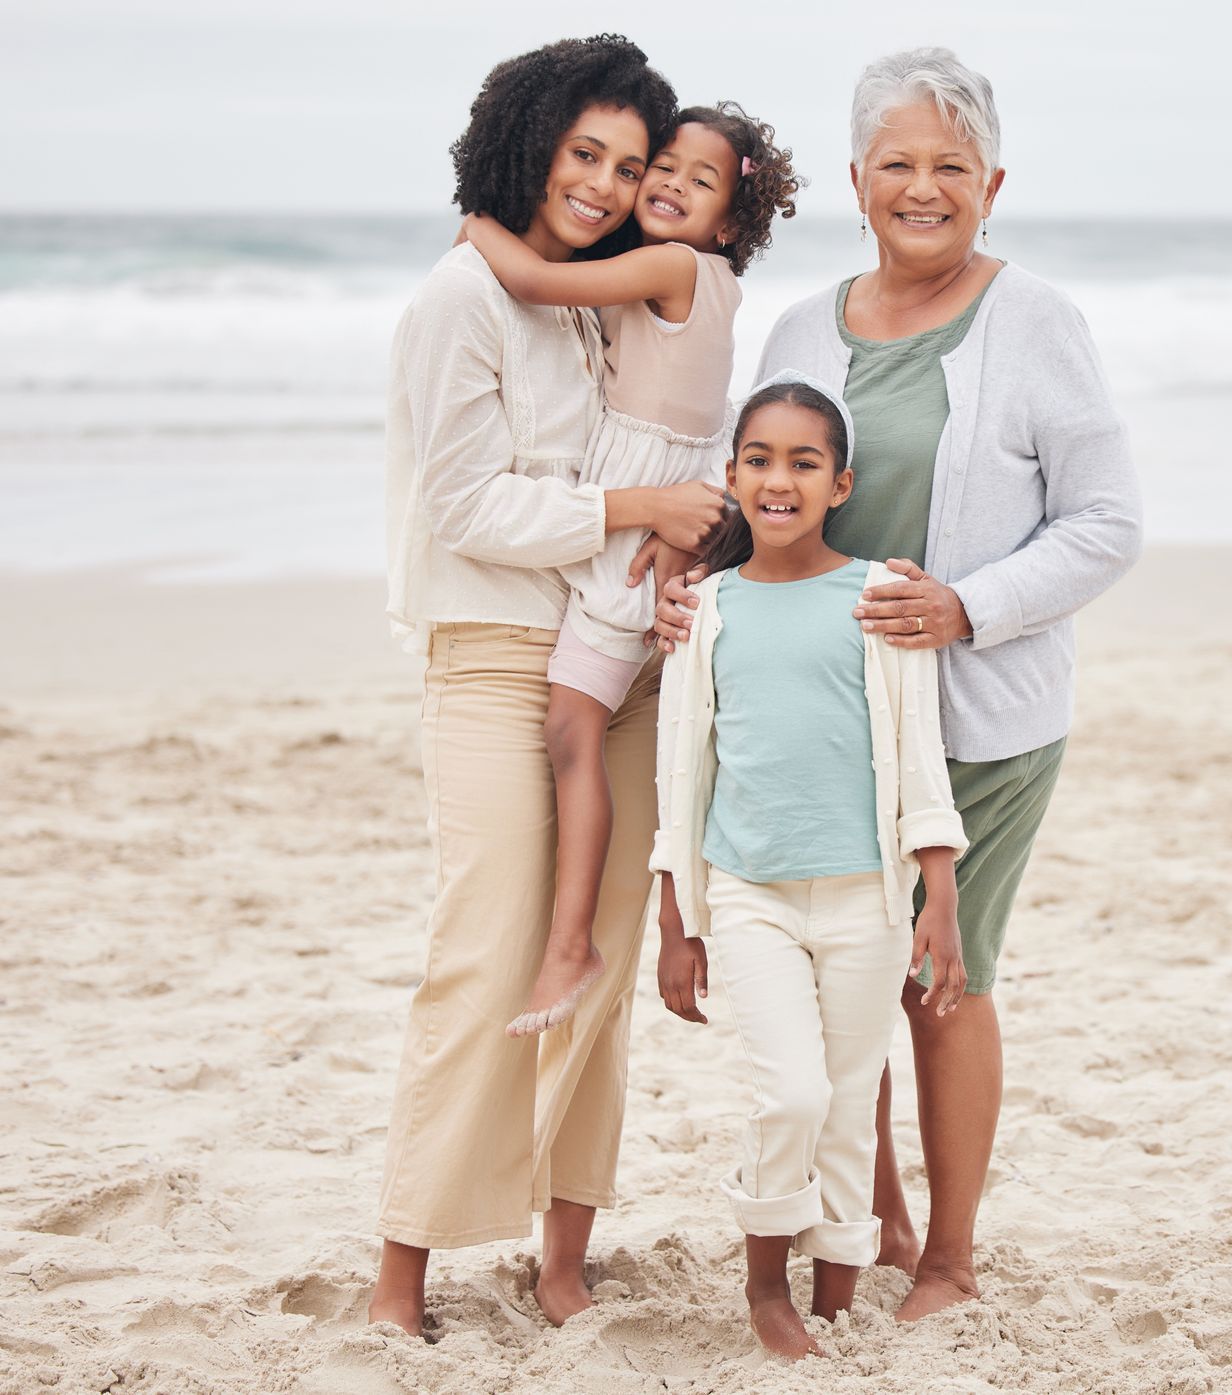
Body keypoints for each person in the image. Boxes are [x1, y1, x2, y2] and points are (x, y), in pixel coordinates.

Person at [646, 48, 1144, 1320]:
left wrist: (967, 608)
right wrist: (686, 581)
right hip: (826, 725)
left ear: (993, 184)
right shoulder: (804, 326)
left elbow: (1105, 524)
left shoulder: (1038, 325)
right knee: (836, 995)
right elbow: (763, 485)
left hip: (980, 720)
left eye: (952, 167)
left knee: (944, 979)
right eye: (900, 165)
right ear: (860, 179)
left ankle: (954, 1260)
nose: (924, 188)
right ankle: (877, 1223)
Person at [371, 36, 727, 1336]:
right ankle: (399, 1272)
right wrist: (637, 504)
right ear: (529, 138)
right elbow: (465, 505)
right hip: (490, 661)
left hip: (618, 663)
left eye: (630, 166)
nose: (605, 184)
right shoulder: (463, 297)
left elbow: (666, 458)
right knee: (483, 960)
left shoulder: (598, 298)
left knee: (602, 969)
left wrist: (675, 570)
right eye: (587, 153)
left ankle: (563, 1256)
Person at [458, 101, 802, 1038]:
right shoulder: (715, 278)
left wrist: (474, 222)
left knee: (573, 726)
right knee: (653, 733)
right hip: (665, 487)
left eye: (701, 181)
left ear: (728, 221)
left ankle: (572, 939)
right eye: (664, 168)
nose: (668, 185)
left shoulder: (671, 264)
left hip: (640, 503)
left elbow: (533, 280)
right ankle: (652, 914)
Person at [650, 375, 969, 1359]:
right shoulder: (703, 611)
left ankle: (834, 1291)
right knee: (787, 1092)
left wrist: (940, 898)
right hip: (749, 893)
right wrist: (676, 918)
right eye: (758, 459)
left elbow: (919, 755)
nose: (778, 479)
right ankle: (764, 1285)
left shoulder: (880, 594)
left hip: (869, 896)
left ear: (840, 484)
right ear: (733, 476)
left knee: (848, 1095)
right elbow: (679, 773)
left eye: (803, 462)